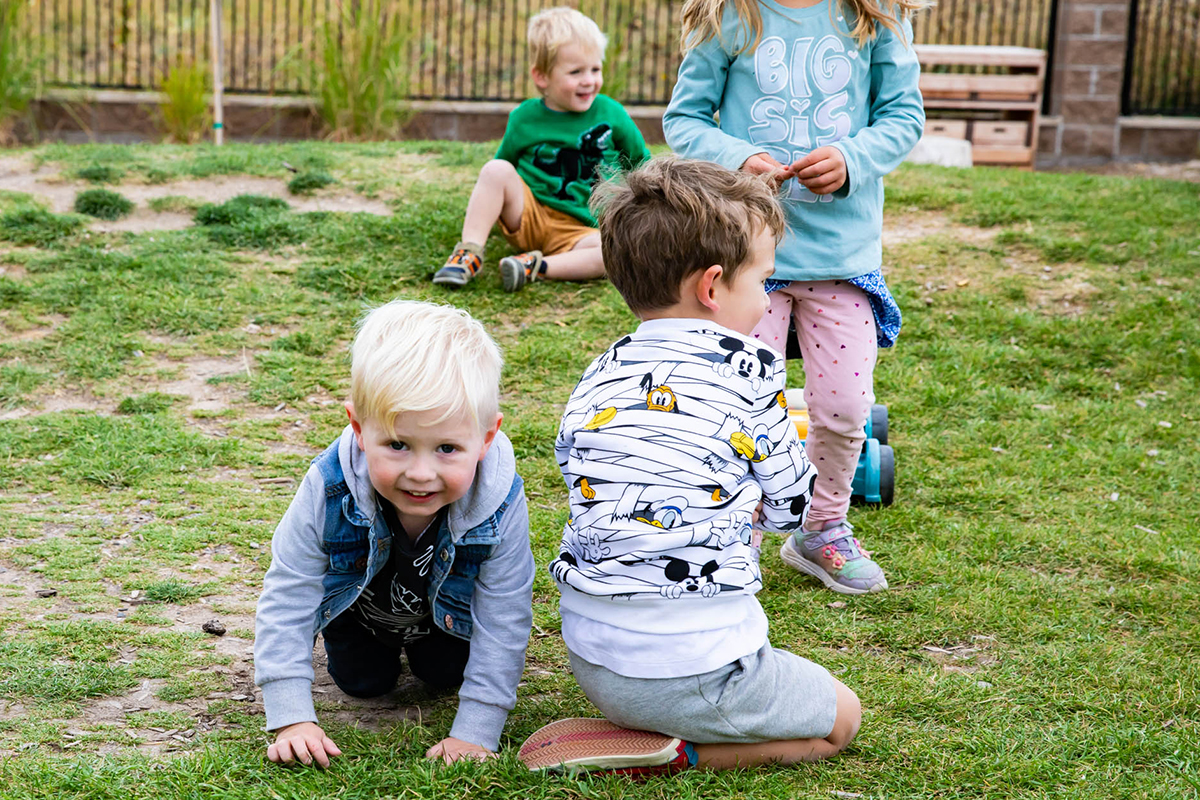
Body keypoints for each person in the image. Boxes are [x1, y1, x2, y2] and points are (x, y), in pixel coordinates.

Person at [519, 157, 861, 775]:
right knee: (842, 719)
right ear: (711, 287)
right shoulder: (754, 371)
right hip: (690, 670)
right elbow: (791, 509)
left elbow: (578, 467)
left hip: (593, 660)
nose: (766, 298)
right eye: (763, 281)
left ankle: (646, 718)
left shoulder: (599, 371)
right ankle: (682, 753)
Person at [663, 0, 928, 594]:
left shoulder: (875, 15)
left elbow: (903, 115)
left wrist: (852, 158)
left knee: (843, 406)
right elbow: (685, 119)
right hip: (747, 256)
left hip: (842, 258)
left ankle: (823, 526)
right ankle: (737, 533)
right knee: (739, 402)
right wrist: (737, 159)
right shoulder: (729, 14)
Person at [254, 300, 535, 767]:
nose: (420, 473)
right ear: (360, 429)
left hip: (448, 619)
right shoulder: (328, 486)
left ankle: (431, 648)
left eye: (447, 448)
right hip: (362, 614)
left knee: (444, 675)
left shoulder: (499, 499)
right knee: (363, 684)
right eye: (398, 445)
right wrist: (290, 716)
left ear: (486, 439)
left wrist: (477, 731)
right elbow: (290, 588)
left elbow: (504, 613)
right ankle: (367, 642)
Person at [432, 6, 651, 292]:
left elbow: (641, 163)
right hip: (529, 215)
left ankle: (533, 266)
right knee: (495, 171)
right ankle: (469, 253)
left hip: (584, 228)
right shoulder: (524, 118)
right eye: (575, 72)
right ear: (542, 77)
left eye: (595, 69)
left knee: (611, 252)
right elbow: (503, 168)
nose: (589, 80)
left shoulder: (612, 113)